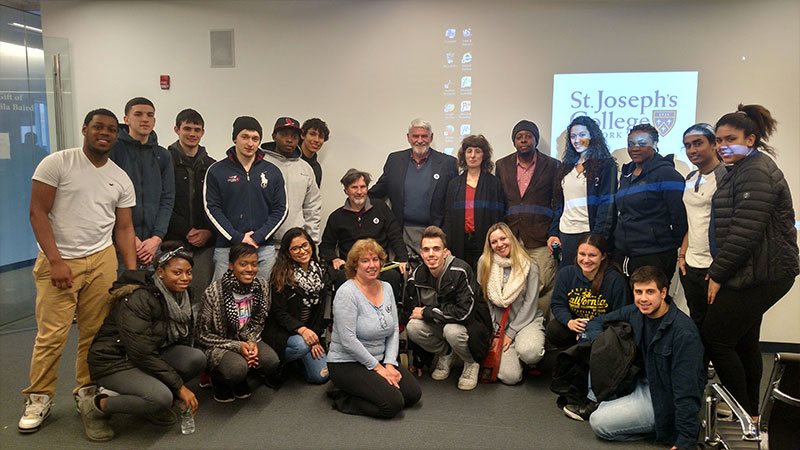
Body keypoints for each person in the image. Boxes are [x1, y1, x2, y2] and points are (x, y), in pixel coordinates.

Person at [19, 108, 137, 438]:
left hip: (100, 260)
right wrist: (56, 261)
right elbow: (37, 212)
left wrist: (130, 272)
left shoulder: (120, 177)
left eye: (112, 129)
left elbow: (125, 228)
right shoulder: (57, 163)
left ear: (117, 135)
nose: (105, 133)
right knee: (52, 335)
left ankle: (87, 395)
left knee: (95, 334)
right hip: (60, 259)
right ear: (85, 129)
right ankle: (38, 398)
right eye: (98, 127)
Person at [704, 104, 798, 423]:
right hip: (754, 272)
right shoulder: (742, 169)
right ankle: (751, 412)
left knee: (716, 338)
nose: (721, 146)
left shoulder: (756, 171)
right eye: (717, 140)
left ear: (751, 139)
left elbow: (744, 233)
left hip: (764, 274)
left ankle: (743, 412)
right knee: (744, 341)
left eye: (730, 139)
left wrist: (716, 275)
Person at [86, 243, 206, 442]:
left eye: (188, 272)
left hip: (151, 352)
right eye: (177, 272)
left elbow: (180, 338)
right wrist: (178, 388)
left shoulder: (182, 294)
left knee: (195, 358)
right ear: (160, 272)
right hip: (115, 360)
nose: (185, 278)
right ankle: (96, 406)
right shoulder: (139, 297)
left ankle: (149, 400)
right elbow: (140, 351)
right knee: (161, 398)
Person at [583, 266, 705, 450]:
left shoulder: (683, 333)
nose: (643, 298)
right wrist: (601, 344)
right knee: (603, 349)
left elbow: (687, 388)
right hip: (638, 380)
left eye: (650, 292)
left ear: (663, 293)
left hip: (662, 396)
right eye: (638, 292)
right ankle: (607, 404)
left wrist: (685, 439)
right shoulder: (635, 312)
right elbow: (597, 322)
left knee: (598, 422)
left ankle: (659, 426)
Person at [327, 239, 422, 418]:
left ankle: (370, 386)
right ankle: (341, 396)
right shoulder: (347, 293)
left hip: (380, 359)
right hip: (347, 363)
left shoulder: (386, 288)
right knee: (392, 405)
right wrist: (379, 369)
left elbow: (394, 329)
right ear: (355, 265)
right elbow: (348, 341)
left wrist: (390, 363)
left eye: (375, 259)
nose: (372, 265)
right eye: (365, 261)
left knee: (412, 395)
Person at [404, 226, 492, 391]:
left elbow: (465, 314)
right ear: (421, 253)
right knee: (412, 327)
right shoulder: (417, 276)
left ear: (446, 252)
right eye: (426, 249)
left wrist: (427, 312)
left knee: (452, 330)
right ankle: (446, 354)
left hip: (471, 327)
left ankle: (471, 362)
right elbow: (412, 313)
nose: (431, 254)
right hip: (440, 322)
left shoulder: (461, 270)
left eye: (436, 249)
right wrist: (417, 360)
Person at [204, 116, 287, 281]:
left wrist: (257, 237)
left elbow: (281, 209)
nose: (250, 143)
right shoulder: (216, 170)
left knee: (262, 300)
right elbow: (212, 209)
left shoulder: (273, 171)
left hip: (262, 249)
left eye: (255, 138)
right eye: (245, 137)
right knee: (221, 299)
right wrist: (238, 238)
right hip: (227, 249)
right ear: (235, 138)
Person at [195, 243, 280, 402]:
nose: (250, 269)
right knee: (236, 369)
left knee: (271, 361)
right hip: (219, 344)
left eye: (254, 264)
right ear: (231, 265)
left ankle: (242, 374)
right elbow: (201, 335)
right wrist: (237, 346)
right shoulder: (214, 292)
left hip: (247, 339)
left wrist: (251, 342)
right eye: (243, 264)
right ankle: (218, 378)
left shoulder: (261, 286)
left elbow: (259, 321)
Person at [495, 119, 560, 320]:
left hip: (540, 237)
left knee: (540, 286)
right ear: (514, 141)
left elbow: (557, 203)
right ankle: (516, 329)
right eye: (519, 137)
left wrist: (554, 233)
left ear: (536, 140)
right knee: (513, 287)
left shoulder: (553, 165)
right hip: (511, 238)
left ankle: (539, 329)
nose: (524, 140)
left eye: (528, 136)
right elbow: (499, 201)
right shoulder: (502, 165)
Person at [369, 118, 457, 254]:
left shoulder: (447, 163)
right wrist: (358, 200)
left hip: (434, 233)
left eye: (424, 136)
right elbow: (379, 190)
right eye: (415, 136)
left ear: (431, 137)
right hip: (400, 232)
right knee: (401, 273)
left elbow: (452, 204)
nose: (420, 140)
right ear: (408, 138)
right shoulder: (395, 160)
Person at [319, 168, 407, 301]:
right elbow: (325, 246)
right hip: (351, 269)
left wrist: (402, 259)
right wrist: (334, 258)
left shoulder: (381, 208)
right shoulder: (336, 217)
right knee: (340, 277)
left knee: (393, 277)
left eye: (363, 187)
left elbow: (395, 236)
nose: (359, 192)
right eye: (354, 187)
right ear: (346, 191)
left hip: (380, 266)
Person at [613, 124, 686, 282]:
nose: (635, 148)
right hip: (624, 253)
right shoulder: (626, 173)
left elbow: (679, 217)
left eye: (641, 143)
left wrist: (664, 241)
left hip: (654, 254)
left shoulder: (667, 174)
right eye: (631, 144)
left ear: (654, 144)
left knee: (651, 304)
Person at [476, 222, 545, 385]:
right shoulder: (484, 263)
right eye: (494, 242)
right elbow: (484, 301)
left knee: (530, 351)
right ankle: (516, 356)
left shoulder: (530, 265)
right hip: (499, 326)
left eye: (503, 238)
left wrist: (511, 333)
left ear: (511, 238)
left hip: (526, 321)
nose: (499, 244)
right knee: (510, 377)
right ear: (490, 245)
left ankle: (529, 357)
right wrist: (494, 330)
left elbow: (530, 303)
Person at [110, 97, 175, 268]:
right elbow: (108, 198)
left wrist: (157, 238)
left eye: (150, 115)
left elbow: (167, 199)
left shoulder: (163, 155)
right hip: (120, 243)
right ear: (126, 119)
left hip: (153, 245)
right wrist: (130, 238)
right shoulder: (114, 150)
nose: (145, 119)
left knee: (154, 293)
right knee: (124, 291)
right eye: (138, 114)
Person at [677, 124, 726, 344]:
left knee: (716, 329)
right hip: (691, 264)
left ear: (714, 144)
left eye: (698, 143)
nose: (692, 150)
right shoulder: (690, 176)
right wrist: (682, 255)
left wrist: (719, 269)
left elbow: (729, 226)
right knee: (696, 321)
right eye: (687, 145)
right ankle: (698, 373)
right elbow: (691, 220)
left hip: (713, 266)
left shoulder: (726, 177)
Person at [263, 228, 331, 384]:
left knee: (321, 376)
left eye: (305, 245)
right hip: (283, 332)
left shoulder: (321, 271)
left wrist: (313, 337)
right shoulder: (281, 274)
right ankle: (276, 364)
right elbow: (279, 313)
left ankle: (297, 361)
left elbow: (320, 312)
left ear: (311, 245)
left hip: (308, 332)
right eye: (295, 248)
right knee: (301, 346)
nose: (302, 251)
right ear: (288, 252)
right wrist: (303, 331)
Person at [548, 116, 617, 269]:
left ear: (593, 136)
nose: (577, 140)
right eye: (573, 136)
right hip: (565, 233)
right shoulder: (565, 167)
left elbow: (607, 206)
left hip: (588, 233)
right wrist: (554, 232)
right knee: (567, 280)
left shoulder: (606, 164)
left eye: (582, 135)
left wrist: (598, 238)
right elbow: (559, 204)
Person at [165, 108, 216, 305]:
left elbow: (217, 206)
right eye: (187, 128)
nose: (192, 134)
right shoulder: (164, 161)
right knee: (171, 295)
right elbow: (162, 203)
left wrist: (208, 232)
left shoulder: (212, 166)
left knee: (200, 294)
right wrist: (186, 230)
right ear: (176, 129)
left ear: (203, 132)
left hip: (205, 244)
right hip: (173, 239)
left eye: (197, 129)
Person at [547, 234, 629, 349]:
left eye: (592, 255)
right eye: (582, 254)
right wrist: (569, 321)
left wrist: (593, 329)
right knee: (554, 329)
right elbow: (557, 304)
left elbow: (621, 313)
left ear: (603, 256)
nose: (586, 260)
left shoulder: (615, 280)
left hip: (603, 329)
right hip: (576, 327)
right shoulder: (566, 274)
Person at [443, 134, 506, 269]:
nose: (473, 156)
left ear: (484, 156)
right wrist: (446, 244)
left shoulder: (493, 183)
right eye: (469, 151)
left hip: (485, 241)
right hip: (459, 240)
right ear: (464, 155)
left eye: (477, 151)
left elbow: (498, 217)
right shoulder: (454, 184)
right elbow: (448, 217)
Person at [261, 116, 322, 244]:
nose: (289, 140)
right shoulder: (259, 163)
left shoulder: (306, 168)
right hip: (263, 242)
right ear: (274, 136)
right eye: (284, 135)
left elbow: (312, 206)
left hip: (295, 243)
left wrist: (311, 240)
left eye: (294, 136)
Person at [299, 118, 330, 187]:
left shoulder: (317, 169)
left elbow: (314, 197)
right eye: (312, 134)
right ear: (303, 135)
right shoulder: (289, 159)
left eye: (321, 136)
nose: (316, 140)